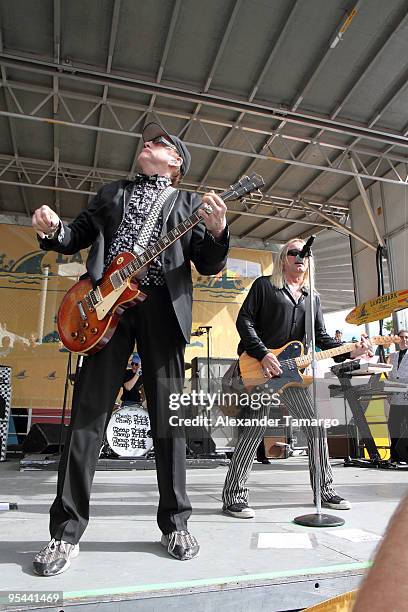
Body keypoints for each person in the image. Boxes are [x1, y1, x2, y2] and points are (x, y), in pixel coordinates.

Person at [31, 122, 229, 575]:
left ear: (177, 162)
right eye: (148, 140)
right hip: (103, 310)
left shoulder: (188, 205)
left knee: (169, 423)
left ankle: (175, 523)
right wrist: (52, 228)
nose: (148, 143)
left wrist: (217, 232)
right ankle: (65, 533)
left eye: (160, 143)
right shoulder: (112, 193)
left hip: (162, 309)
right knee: (86, 417)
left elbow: (208, 263)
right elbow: (75, 234)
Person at [222, 238, 373, 519]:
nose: (299, 256)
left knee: (316, 427)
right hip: (261, 367)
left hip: (292, 374)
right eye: (293, 252)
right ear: (283, 259)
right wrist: (263, 353)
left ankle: (324, 490)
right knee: (254, 430)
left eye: (304, 253)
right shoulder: (265, 286)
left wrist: (352, 351)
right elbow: (245, 320)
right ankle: (234, 496)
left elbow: (322, 339)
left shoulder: (312, 297)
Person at [387, 329, 408, 463]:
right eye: (401, 337)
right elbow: (390, 375)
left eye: (407, 337)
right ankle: (394, 456)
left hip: (407, 397)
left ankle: (405, 456)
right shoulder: (393, 356)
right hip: (395, 397)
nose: (404, 340)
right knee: (393, 426)